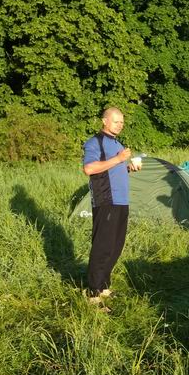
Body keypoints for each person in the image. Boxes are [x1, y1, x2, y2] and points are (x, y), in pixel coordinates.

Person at [82, 107, 140, 309]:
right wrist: (119, 159)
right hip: (106, 200)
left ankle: (104, 286)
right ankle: (93, 292)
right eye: (116, 121)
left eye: (122, 122)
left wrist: (127, 167)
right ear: (105, 121)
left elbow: (112, 168)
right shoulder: (94, 142)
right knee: (103, 246)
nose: (120, 125)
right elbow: (89, 169)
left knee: (115, 246)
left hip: (121, 201)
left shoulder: (117, 143)